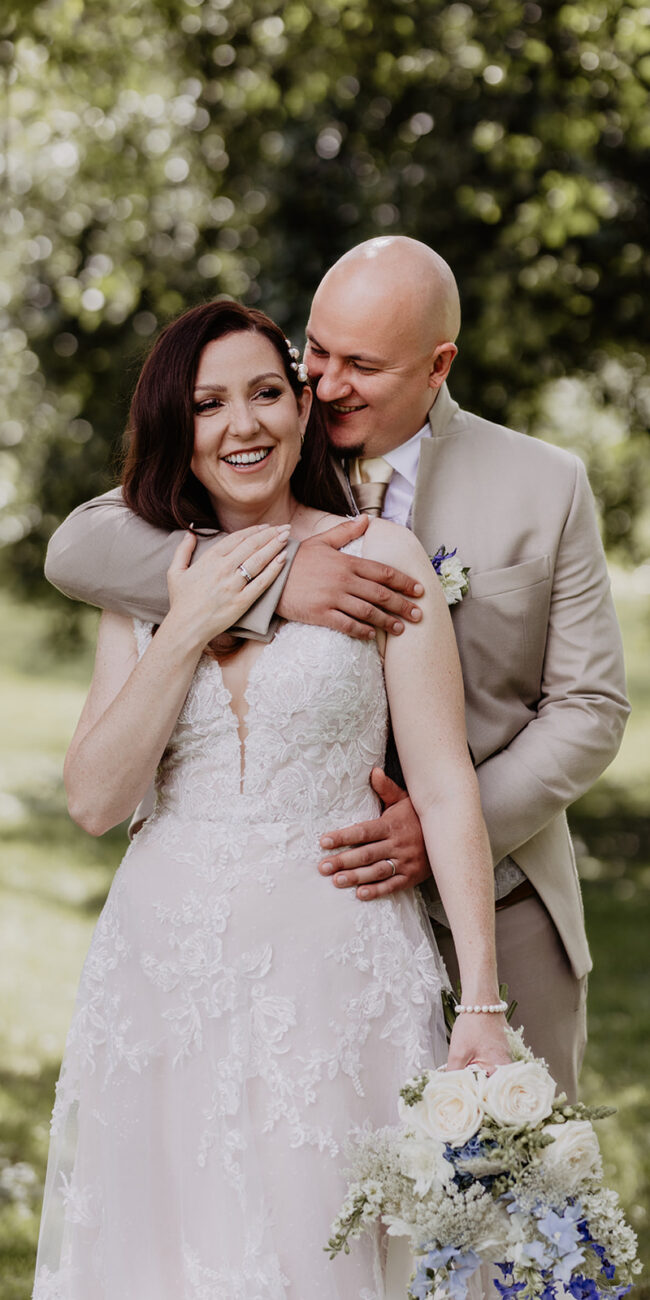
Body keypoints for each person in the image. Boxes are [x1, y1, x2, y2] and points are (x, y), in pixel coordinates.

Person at [45, 238, 630, 1100]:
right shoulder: (261, 422)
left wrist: (439, 828)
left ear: (438, 365)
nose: (326, 384)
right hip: (266, 924)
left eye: (362, 366)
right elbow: (80, 545)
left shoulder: (543, 483)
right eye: (315, 353)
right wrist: (274, 580)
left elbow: (589, 707)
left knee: (501, 1166)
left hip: (498, 894)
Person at [34, 302, 510, 1300]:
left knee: (325, 1248)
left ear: (302, 409)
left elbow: (442, 785)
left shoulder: (383, 559)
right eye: (208, 404)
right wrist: (189, 620)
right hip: (162, 973)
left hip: (336, 973)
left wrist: (480, 1002)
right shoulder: (149, 574)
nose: (241, 425)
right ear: (178, 425)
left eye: (263, 393)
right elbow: (94, 800)